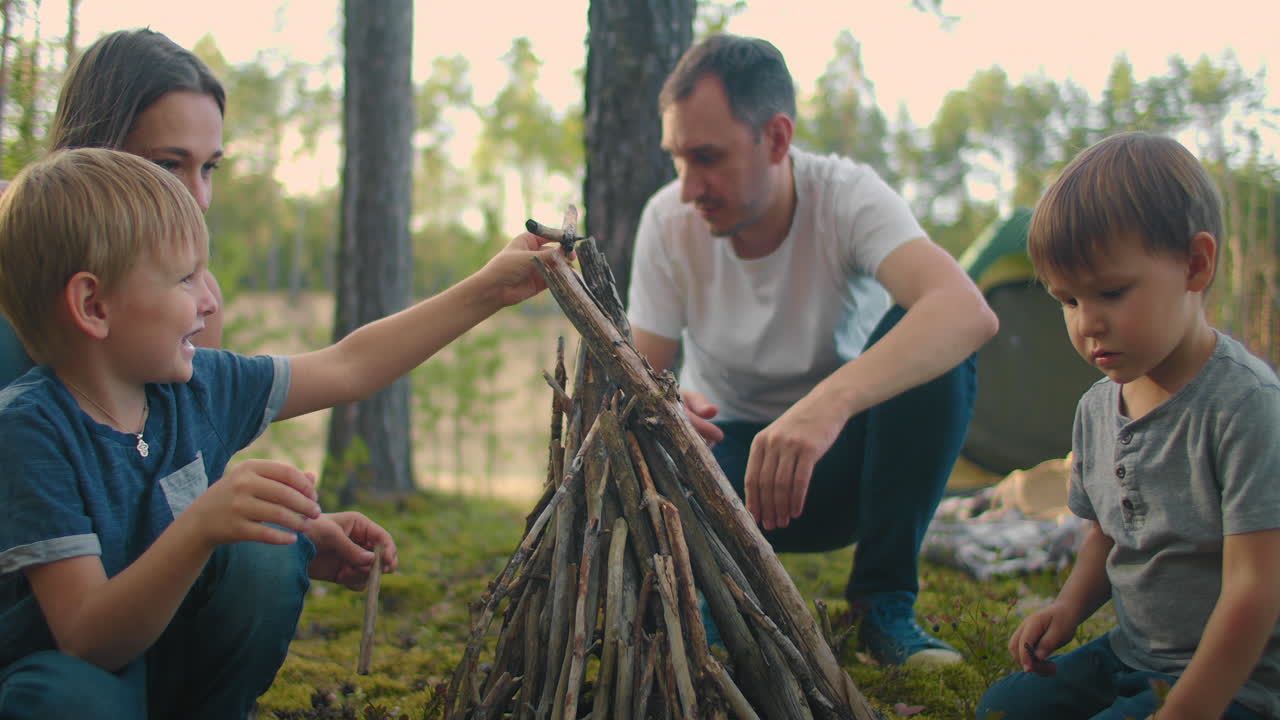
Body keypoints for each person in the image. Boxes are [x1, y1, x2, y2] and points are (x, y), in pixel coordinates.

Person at [0, 148, 564, 718]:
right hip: (83, 683)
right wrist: (202, 526)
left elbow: (349, 366)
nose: (210, 298)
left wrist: (491, 289)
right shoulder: (32, 430)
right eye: (183, 277)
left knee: (263, 540)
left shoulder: (197, 386)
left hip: (172, 662)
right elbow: (86, 639)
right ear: (93, 305)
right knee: (64, 698)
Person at [627, 33, 999, 666]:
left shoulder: (847, 196)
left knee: (935, 335)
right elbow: (637, 370)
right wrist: (663, 401)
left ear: (776, 138)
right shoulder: (667, 221)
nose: (689, 187)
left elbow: (967, 311)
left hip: (846, 468)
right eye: (678, 158)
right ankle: (708, 620)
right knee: (645, 430)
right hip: (727, 473)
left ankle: (883, 607)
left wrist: (825, 406)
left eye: (708, 157)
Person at [976, 132, 1280, 720]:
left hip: (1232, 682)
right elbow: (1107, 534)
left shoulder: (1245, 406)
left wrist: (1187, 709)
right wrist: (1066, 611)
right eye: (1066, 301)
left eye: (1111, 292)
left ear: (1195, 264)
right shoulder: (1097, 408)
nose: (1088, 324)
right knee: (1003, 709)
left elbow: (1255, 589)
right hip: (1130, 652)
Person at [0, 28, 231, 384]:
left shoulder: (197, 306)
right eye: (168, 165)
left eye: (209, 168)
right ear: (93, 152)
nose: (198, 199)